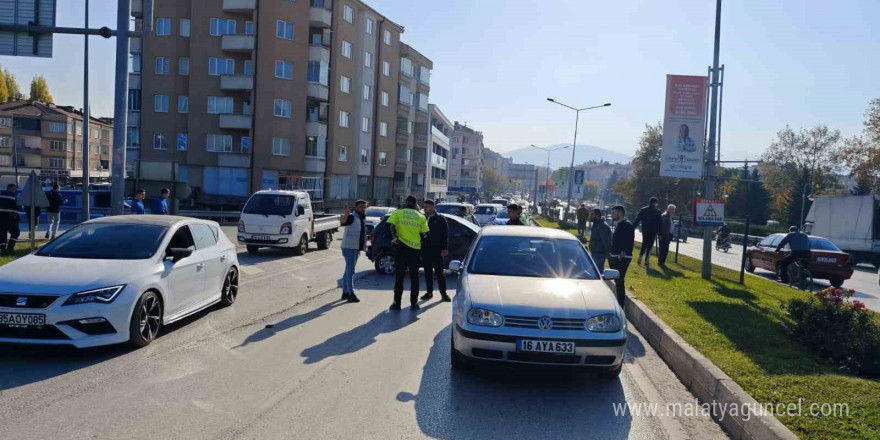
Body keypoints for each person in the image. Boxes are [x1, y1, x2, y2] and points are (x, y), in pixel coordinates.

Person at [387, 195, 429, 311]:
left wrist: (395, 238)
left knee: (399, 277)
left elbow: (390, 226)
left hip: (401, 248)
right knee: (414, 278)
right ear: (416, 204)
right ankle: (414, 304)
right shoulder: (421, 216)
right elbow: (425, 235)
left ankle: (397, 303)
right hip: (415, 251)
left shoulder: (398, 213)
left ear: (406, 203)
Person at [420, 200, 451, 303]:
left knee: (439, 273)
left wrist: (445, 248)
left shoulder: (440, 219)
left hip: (437, 250)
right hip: (425, 249)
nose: (425, 209)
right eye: (424, 207)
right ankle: (429, 293)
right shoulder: (422, 218)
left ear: (433, 207)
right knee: (427, 272)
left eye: (427, 207)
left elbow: (445, 235)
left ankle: (444, 294)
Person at [340, 200, 367, 303]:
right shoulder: (352, 217)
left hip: (354, 247)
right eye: (361, 207)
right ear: (356, 208)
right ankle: (351, 293)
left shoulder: (361, 218)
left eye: (364, 207)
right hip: (349, 247)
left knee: (348, 270)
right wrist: (346, 214)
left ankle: (345, 292)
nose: (363, 209)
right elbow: (344, 221)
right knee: (351, 271)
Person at [609, 205, 634, 306]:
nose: (612, 215)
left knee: (619, 281)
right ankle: (618, 302)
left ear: (620, 213)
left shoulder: (627, 225)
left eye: (614, 213)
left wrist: (621, 255)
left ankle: (620, 305)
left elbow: (628, 242)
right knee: (617, 281)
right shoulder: (619, 224)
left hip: (622, 258)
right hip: (615, 256)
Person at [633, 196, 662, 268]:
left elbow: (638, 219)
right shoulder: (657, 211)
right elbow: (660, 223)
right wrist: (660, 233)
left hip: (645, 230)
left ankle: (640, 256)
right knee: (650, 245)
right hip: (653, 231)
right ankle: (646, 261)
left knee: (644, 243)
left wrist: (633, 227)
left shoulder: (643, 210)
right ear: (655, 203)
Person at [0, 183, 21, 256]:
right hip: (11, 218)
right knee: (15, 232)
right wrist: (18, 219)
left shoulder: (1, 195)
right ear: (13, 189)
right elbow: (18, 208)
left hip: (1, 218)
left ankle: (2, 250)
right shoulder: (14, 197)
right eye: (15, 189)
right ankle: (10, 248)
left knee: (2, 234)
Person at [658, 204, 677, 268]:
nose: (674, 211)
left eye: (674, 210)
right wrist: (662, 235)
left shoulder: (670, 216)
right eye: (673, 209)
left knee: (666, 250)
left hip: (668, 235)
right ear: (669, 209)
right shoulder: (664, 216)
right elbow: (662, 227)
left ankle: (662, 262)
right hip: (664, 236)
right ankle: (660, 263)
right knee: (663, 250)